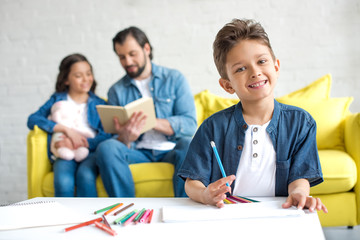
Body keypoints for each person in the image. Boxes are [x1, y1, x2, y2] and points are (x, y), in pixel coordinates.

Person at [178, 19, 328, 213]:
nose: (255, 72)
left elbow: (299, 177)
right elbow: (192, 182)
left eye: (261, 61)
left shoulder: (300, 123)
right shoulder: (212, 127)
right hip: (226, 215)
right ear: (227, 85)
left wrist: (299, 192)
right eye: (241, 68)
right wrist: (205, 194)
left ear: (276, 66)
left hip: (278, 215)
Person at [96, 26, 197, 197]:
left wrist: (152, 122)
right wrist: (125, 137)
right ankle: (126, 210)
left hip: (172, 148)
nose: (127, 62)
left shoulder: (174, 79)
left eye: (132, 54)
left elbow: (190, 124)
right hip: (138, 151)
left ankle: (183, 208)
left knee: (189, 144)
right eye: (122, 57)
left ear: (147, 49)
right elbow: (115, 138)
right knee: (107, 147)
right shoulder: (116, 90)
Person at [27, 53, 111, 197]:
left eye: (88, 74)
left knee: (85, 176)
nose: (86, 79)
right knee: (63, 180)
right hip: (64, 151)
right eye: (78, 76)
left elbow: (107, 134)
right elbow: (33, 119)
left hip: (90, 152)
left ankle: (90, 218)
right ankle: (65, 218)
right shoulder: (57, 99)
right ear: (66, 79)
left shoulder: (100, 103)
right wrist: (63, 129)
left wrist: (83, 143)